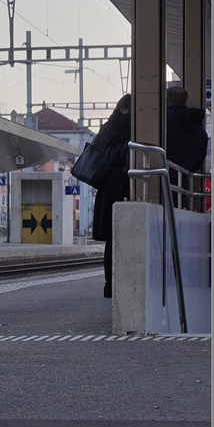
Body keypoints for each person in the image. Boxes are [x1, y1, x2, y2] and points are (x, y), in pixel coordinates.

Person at [90, 95, 132, 299]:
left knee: (118, 240)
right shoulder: (111, 129)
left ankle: (115, 283)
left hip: (118, 189)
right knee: (113, 240)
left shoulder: (116, 127)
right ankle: (110, 285)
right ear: (124, 109)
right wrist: (129, 144)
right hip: (111, 190)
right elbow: (110, 156)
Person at [165, 85, 209, 174]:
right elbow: (198, 162)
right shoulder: (199, 129)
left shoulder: (162, 122)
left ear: (167, 101)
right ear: (185, 101)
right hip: (185, 181)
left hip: (161, 179)